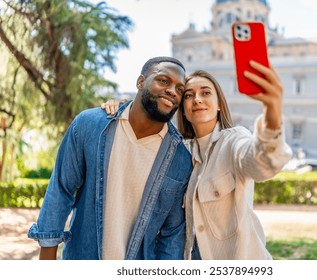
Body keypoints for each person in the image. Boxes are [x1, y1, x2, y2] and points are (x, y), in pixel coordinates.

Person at [102, 60, 292, 259]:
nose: (197, 99)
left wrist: (272, 113)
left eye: (206, 93)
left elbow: (261, 165)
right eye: (189, 95)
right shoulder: (177, 154)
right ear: (182, 108)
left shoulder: (233, 141)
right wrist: (120, 110)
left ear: (219, 105)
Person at [28, 57, 193, 260]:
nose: (172, 91)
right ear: (141, 82)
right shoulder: (89, 126)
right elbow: (61, 189)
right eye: (164, 81)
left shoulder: (181, 159)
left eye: (179, 89)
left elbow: (172, 233)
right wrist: (47, 255)